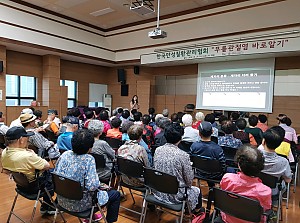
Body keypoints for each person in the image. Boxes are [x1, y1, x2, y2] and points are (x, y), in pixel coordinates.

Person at [54, 129, 120, 223]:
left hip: (62, 201)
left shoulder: (65, 154)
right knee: (115, 194)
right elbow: (93, 186)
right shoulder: (88, 159)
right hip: (80, 205)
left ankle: (92, 217)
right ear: (90, 147)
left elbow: (57, 175)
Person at [1, 126, 56, 215]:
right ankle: (50, 205)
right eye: (27, 137)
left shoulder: (4, 152)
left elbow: (7, 170)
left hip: (21, 185)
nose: (28, 139)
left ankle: (47, 205)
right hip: (35, 187)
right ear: (21, 139)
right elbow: (46, 165)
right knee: (56, 175)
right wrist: (33, 154)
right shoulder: (28, 156)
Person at [154, 122, 202, 212]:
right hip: (176, 195)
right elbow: (189, 182)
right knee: (197, 191)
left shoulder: (157, 150)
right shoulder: (183, 155)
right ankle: (197, 212)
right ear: (181, 138)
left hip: (159, 191)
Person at [220, 145, 271, 223]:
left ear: (239, 165)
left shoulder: (227, 178)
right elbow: (265, 209)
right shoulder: (265, 191)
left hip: (227, 218)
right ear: (261, 167)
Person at [257, 126, 292, 195]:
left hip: (255, 187)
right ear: (279, 145)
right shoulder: (284, 162)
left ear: (263, 141)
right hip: (272, 192)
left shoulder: (254, 155)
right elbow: (288, 180)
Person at [88, 119, 115, 184]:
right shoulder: (102, 144)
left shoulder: (86, 141)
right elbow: (113, 155)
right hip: (103, 173)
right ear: (100, 132)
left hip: (90, 171)